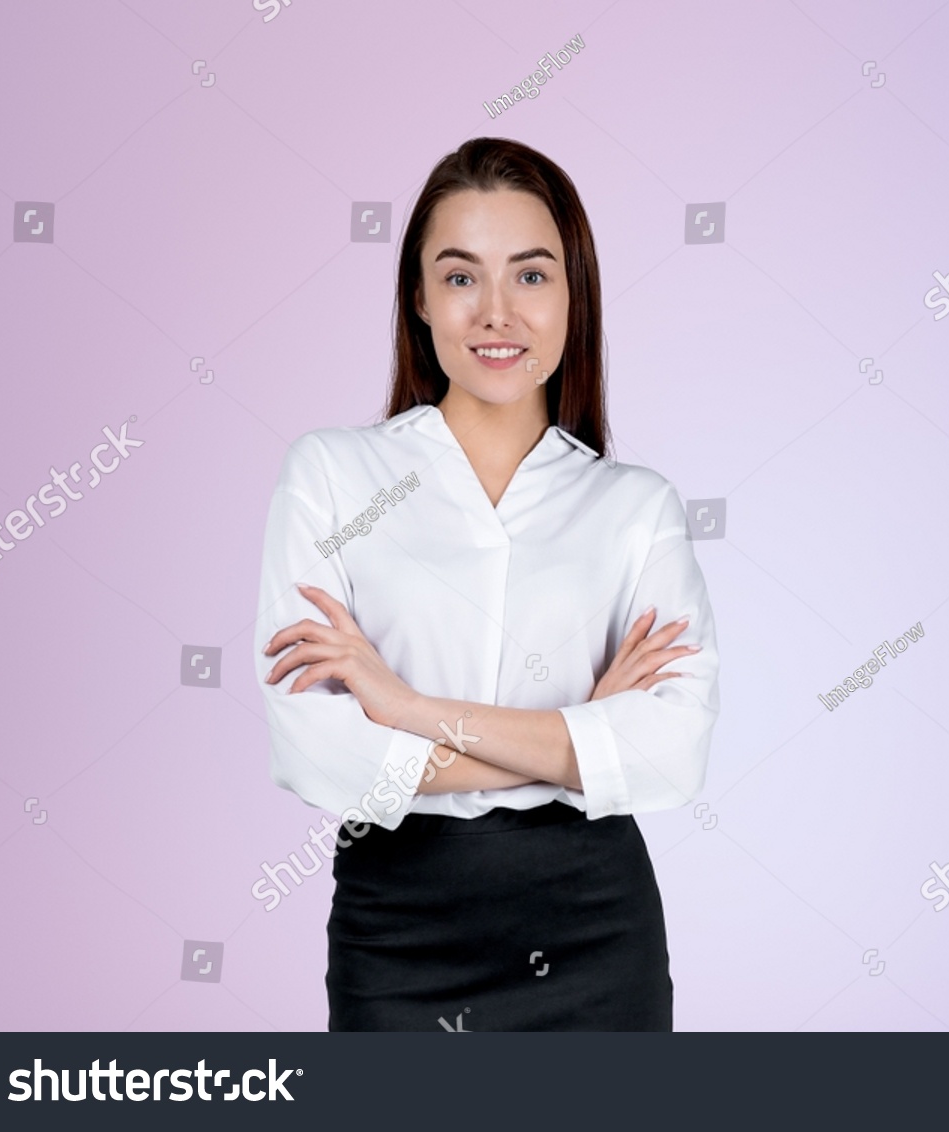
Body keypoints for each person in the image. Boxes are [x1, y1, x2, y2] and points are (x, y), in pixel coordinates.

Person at [253, 137, 721, 1031]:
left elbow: (669, 753)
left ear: (573, 298)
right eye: (462, 277)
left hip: (595, 925)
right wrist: (582, 740)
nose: (497, 312)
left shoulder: (636, 508)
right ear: (419, 297)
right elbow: (317, 751)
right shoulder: (330, 475)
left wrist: (399, 702)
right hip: (399, 930)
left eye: (533, 276)